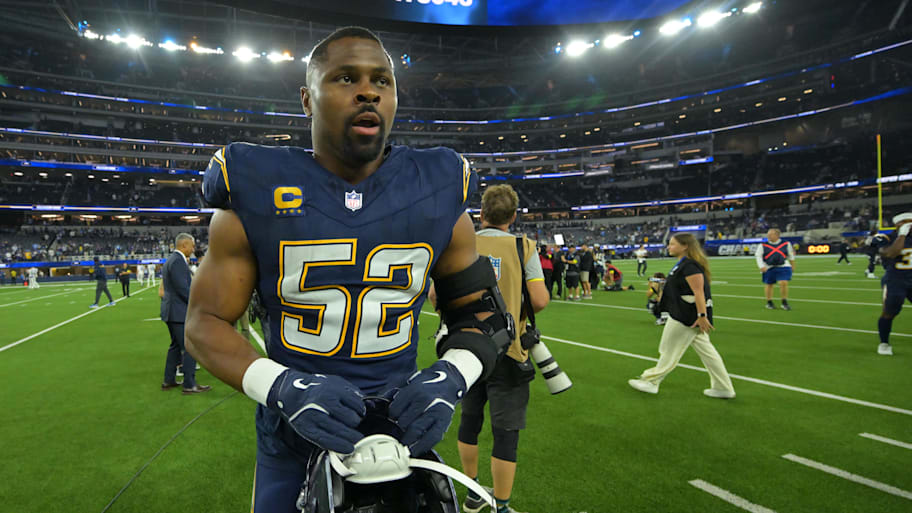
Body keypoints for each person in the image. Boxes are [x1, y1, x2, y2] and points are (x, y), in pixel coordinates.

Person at [184, 27, 514, 513]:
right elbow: (204, 322)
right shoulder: (255, 185)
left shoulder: (437, 185)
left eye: (382, 80)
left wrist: (452, 376)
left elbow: (482, 314)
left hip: (400, 435)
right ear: (307, 99)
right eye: (345, 78)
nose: (368, 92)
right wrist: (280, 386)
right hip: (292, 435)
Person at [454, 184, 548, 513]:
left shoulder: (463, 243)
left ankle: (472, 493)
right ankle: (502, 506)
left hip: (467, 348)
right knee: (505, 431)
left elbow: (438, 295)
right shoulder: (524, 246)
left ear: (481, 213)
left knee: (469, 420)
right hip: (508, 348)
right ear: (513, 216)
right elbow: (539, 300)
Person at [628, 233, 735, 398]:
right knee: (708, 353)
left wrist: (701, 316)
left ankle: (651, 382)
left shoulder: (690, 266)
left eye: (672, 244)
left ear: (685, 246)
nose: (668, 247)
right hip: (687, 313)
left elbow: (699, 292)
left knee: (668, 349)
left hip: (686, 315)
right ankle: (723, 387)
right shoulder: (684, 264)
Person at [161, 233, 209, 394]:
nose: (193, 249)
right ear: (184, 245)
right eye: (192, 246)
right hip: (178, 312)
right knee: (190, 347)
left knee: (175, 346)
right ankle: (189, 384)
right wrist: (199, 305)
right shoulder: (177, 261)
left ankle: (169, 380)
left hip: (172, 311)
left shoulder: (172, 259)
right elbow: (183, 289)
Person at [872, 213, 912, 356]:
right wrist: (902, 235)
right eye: (907, 222)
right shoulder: (886, 238)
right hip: (895, 280)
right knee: (890, 312)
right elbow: (891, 253)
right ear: (898, 224)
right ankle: (884, 343)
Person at [756, 228, 796, 310]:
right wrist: (761, 266)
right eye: (768, 234)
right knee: (769, 284)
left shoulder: (786, 243)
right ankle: (769, 302)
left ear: (777, 235)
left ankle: (784, 302)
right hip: (769, 267)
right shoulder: (762, 245)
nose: (768, 236)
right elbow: (758, 256)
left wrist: (792, 265)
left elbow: (790, 255)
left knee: (783, 282)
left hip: (783, 266)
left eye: (770, 234)